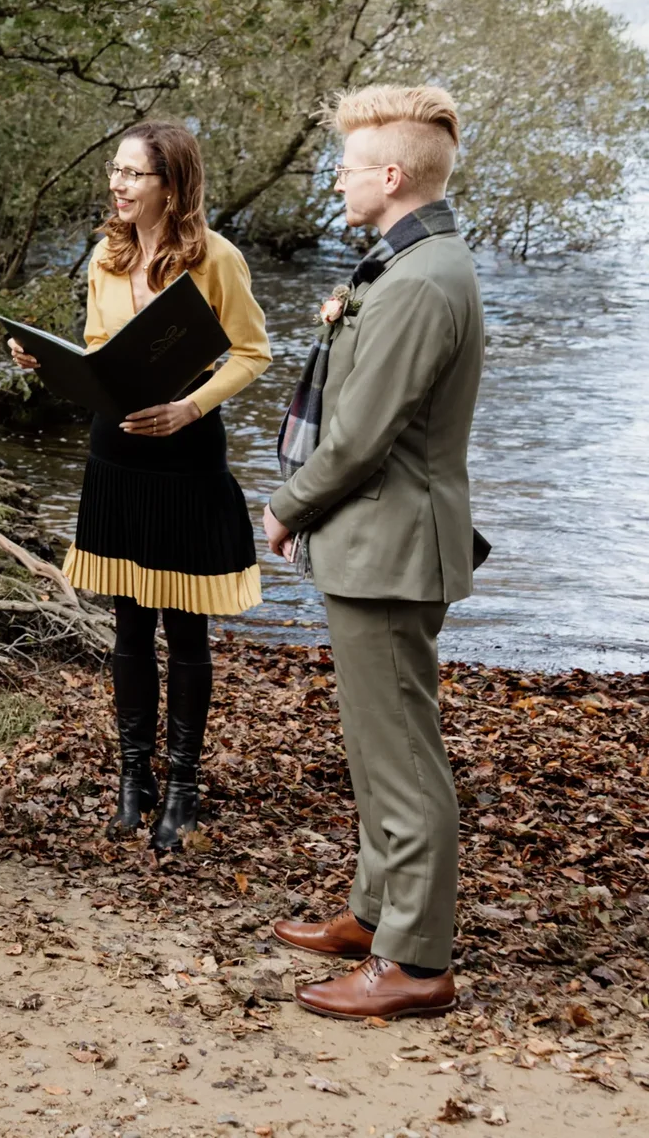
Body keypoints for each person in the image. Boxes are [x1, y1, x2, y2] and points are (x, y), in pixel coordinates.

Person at [262, 85, 484, 1022]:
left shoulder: (423, 280)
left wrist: (285, 505)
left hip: (393, 542)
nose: (336, 182)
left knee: (402, 754)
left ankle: (415, 959)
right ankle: (373, 912)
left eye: (347, 168)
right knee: (374, 739)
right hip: (377, 539)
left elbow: (359, 437)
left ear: (390, 176)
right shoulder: (409, 263)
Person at [9, 121, 269, 852]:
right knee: (128, 623)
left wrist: (191, 406)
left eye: (133, 174)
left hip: (187, 452)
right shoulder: (106, 254)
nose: (118, 185)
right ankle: (135, 780)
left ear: (171, 184)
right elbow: (101, 352)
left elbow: (252, 352)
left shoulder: (216, 258)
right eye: (115, 171)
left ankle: (182, 787)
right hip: (115, 453)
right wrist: (49, 364)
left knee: (185, 628)